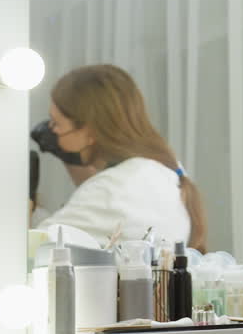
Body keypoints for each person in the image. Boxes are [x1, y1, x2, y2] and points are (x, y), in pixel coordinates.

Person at [31, 64, 207, 251]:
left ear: (90, 132)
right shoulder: (163, 171)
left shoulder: (113, 190)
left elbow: (31, 250)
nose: (52, 131)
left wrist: (28, 204)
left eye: (56, 124)